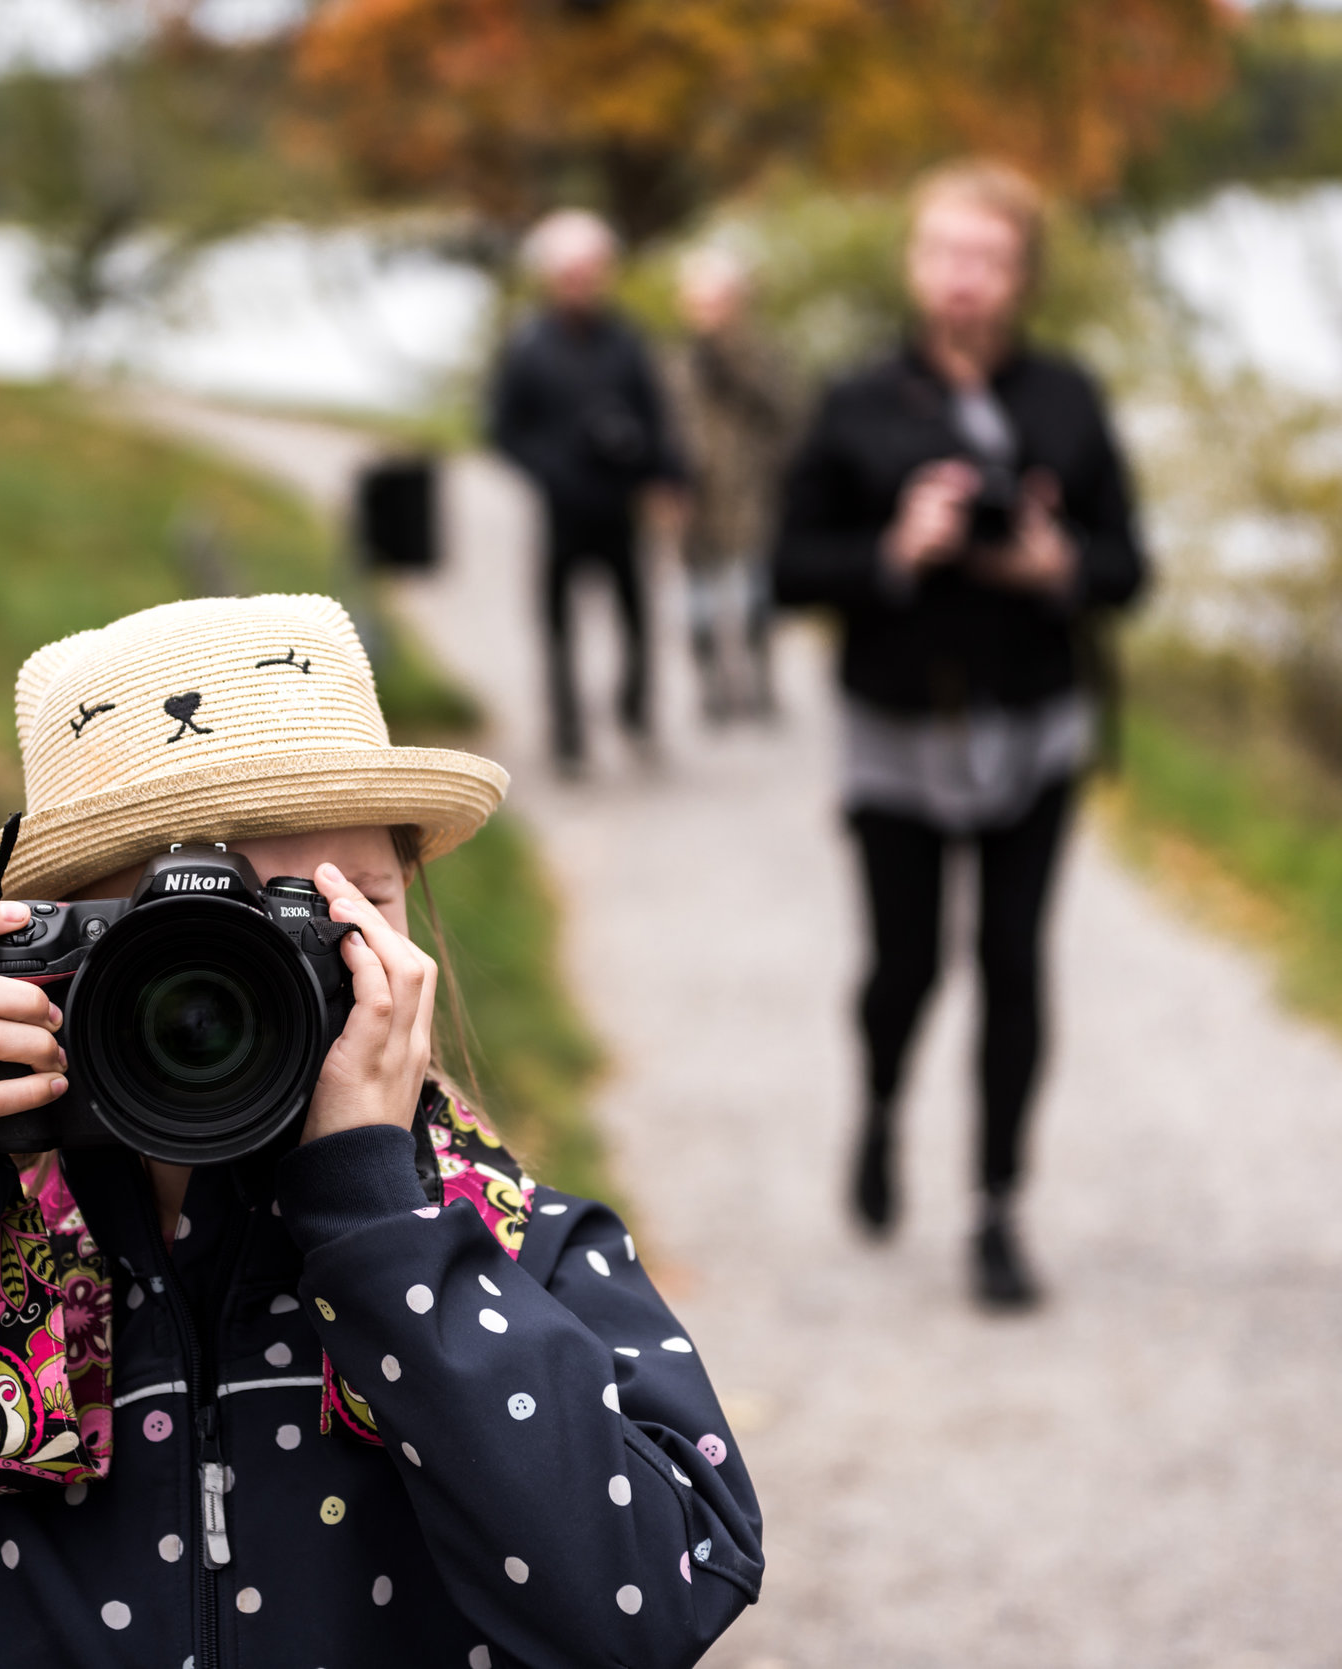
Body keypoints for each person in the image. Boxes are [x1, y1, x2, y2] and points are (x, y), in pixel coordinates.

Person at [0, 594, 763, 1667]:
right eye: (210, 924)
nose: (278, 975)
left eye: (338, 910)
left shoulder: (507, 1253)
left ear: (413, 931)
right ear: (53, 953)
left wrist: (385, 1234)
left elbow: (647, 1614)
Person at [772, 160, 1147, 1311]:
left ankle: (995, 1207)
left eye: (987, 259)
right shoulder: (855, 404)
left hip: (1035, 730)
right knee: (905, 965)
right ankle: (881, 1105)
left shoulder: (1068, 399)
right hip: (895, 729)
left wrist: (1059, 564)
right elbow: (789, 571)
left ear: (1022, 272)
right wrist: (895, 549)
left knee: (1014, 966)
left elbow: (1130, 568)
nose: (964, 280)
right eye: (944, 254)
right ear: (913, 264)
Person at [489, 209, 686, 776]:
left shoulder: (626, 342)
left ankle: (635, 713)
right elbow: (503, 429)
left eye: (590, 269)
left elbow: (655, 416)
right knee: (558, 627)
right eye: (571, 271)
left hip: (619, 505)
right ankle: (568, 733)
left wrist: (661, 472)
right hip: (562, 509)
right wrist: (551, 469)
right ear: (552, 276)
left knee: (638, 621)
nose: (581, 281)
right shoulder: (529, 346)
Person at [661, 246, 797, 724]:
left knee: (755, 593)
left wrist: (733, 372)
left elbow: (786, 420)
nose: (709, 313)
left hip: (751, 495)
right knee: (697, 599)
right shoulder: (674, 362)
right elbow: (660, 429)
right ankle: (712, 691)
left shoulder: (763, 357)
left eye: (718, 301)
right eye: (700, 302)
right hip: (695, 499)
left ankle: (760, 687)